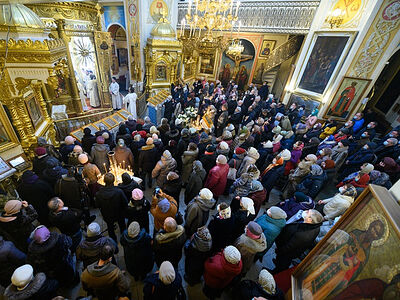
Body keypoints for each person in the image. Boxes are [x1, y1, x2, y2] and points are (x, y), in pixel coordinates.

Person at [271, 209, 323, 274]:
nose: (305, 211)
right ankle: (277, 263)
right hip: (292, 248)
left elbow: (289, 247)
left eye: (307, 212)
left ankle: (275, 272)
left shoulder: (303, 235)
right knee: (281, 261)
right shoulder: (315, 226)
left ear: (310, 220)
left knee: (282, 263)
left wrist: (279, 251)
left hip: (287, 252)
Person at [95, 173, 128, 242]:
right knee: (122, 226)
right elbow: (125, 203)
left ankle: (113, 242)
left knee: (110, 228)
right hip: (119, 213)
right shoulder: (119, 191)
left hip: (107, 215)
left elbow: (97, 205)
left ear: (104, 181)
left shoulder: (98, 194)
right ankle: (124, 238)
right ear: (114, 181)